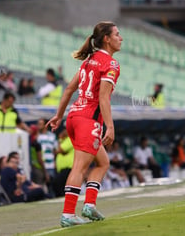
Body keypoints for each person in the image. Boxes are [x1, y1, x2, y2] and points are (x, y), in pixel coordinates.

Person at [46, 21, 122, 227]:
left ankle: (89, 205)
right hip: (88, 121)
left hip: (74, 117)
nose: (120, 38)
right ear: (106, 39)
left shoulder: (89, 61)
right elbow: (103, 98)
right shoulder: (111, 64)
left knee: (103, 162)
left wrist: (59, 116)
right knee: (79, 167)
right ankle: (68, 214)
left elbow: (69, 89)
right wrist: (110, 127)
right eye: (117, 34)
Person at [37, 118, 58, 197]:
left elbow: (55, 150)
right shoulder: (37, 136)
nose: (39, 126)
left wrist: (55, 161)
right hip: (39, 164)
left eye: (40, 124)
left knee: (51, 183)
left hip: (50, 163)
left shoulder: (52, 136)